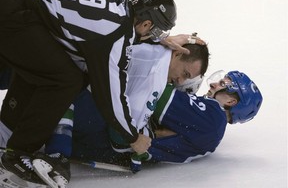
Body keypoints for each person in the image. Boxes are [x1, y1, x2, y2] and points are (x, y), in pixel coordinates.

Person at [0, 0, 195, 186]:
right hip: (15, 14)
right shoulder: (116, 36)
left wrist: (159, 38)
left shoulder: (118, 2)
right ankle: (17, 154)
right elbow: (111, 98)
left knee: (48, 72)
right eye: (154, 31)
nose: (152, 36)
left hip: (14, 2)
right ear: (146, 23)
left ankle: (7, 142)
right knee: (65, 80)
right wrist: (133, 137)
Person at [44, 69, 263, 170]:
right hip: (110, 148)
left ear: (232, 102)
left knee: (72, 78)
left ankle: (55, 156)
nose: (214, 85)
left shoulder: (212, 117)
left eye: (223, 84)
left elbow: (155, 94)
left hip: (113, 138)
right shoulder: (211, 131)